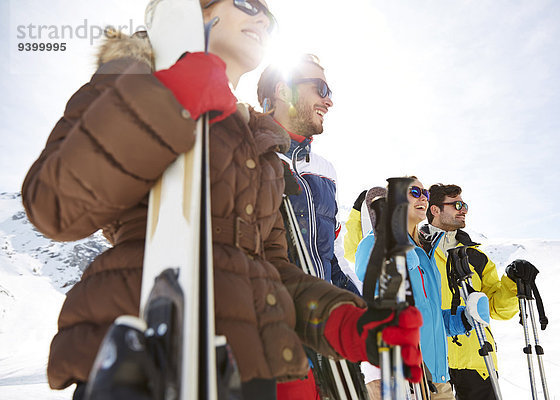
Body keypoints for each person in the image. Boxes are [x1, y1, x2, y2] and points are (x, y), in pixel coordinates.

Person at [21, 1, 424, 399]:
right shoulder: (133, 78)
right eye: (248, 4)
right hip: (137, 353)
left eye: (270, 15)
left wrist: (347, 322)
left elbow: (271, 271)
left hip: (250, 366)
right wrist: (169, 99)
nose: (262, 18)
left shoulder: (259, 141)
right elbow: (53, 206)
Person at [354, 179, 490, 400]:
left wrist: (464, 319)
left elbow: (431, 319)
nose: (423, 197)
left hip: (436, 376)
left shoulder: (425, 255)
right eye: (414, 192)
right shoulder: (373, 243)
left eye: (425, 192)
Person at [257, 54, 361, 296]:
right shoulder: (246, 156)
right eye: (320, 89)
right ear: (284, 92)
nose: (328, 101)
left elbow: (334, 257)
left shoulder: (325, 171)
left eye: (329, 92)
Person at [421, 184, 519, 400]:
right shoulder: (417, 251)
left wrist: (513, 285)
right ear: (435, 210)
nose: (463, 209)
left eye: (464, 205)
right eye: (457, 204)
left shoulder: (475, 256)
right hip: (433, 359)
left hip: (477, 360)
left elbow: (496, 309)